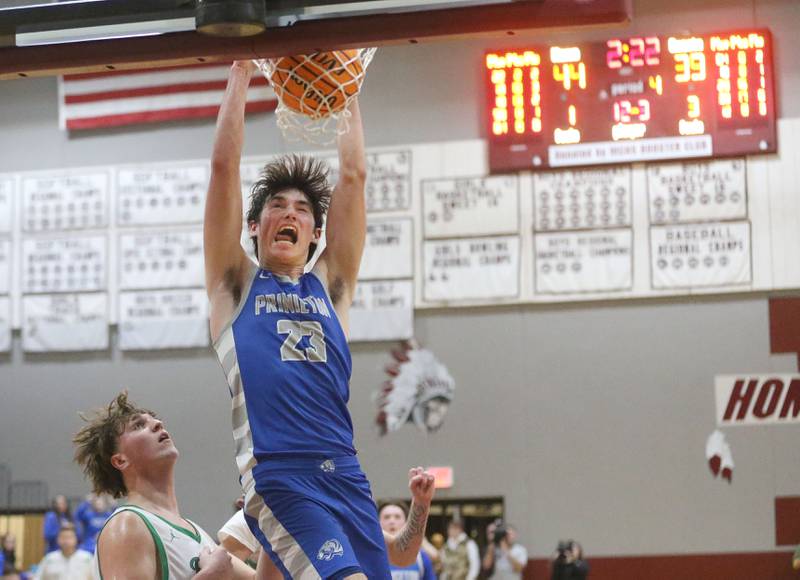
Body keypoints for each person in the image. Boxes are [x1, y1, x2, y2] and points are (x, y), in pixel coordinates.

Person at [205, 60, 429, 579]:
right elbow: (222, 170)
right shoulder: (234, 284)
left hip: (345, 472)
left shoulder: (330, 286)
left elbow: (353, 175)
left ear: (314, 233)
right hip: (280, 474)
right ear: (255, 227)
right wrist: (241, 70)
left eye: (302, 210)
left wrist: (347, 85)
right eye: (276, 206)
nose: (288, 214)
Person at [73, 392, 255, 580]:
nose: (157, 424)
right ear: (120, 460)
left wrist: (265, 516)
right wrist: (210, 576)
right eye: (139, 425)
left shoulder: (197, 532)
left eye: (155, 420)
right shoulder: (126, 524)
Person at [379, 501, 437, 580]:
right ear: (378, 522)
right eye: (387, 517)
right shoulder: (370, 556)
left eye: (397, 517)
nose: (392, 521)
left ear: (406, 523)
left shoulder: (421, 557)